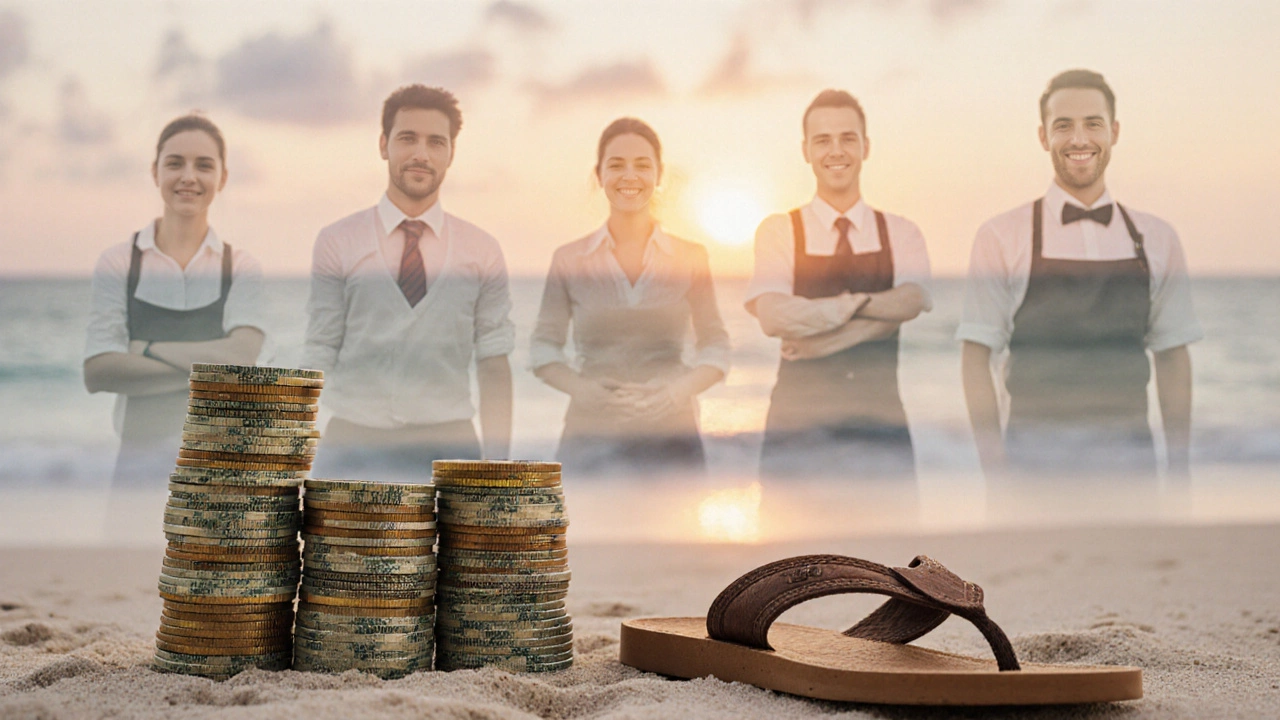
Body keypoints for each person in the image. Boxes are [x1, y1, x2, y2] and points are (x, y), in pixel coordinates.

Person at [958, 69, 1202, 484]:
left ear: (1114, 131)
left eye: (1093, 123)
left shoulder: (1159, 239)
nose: (1079, 139)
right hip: (1030, 467)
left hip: (1133, 464)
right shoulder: (1000, 236)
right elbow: (976, 358)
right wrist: (995, 473)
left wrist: (1179, 474)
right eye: (1063, 126)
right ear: (1042, 137)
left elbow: (1173, 357)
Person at [302, 85, 514, 482]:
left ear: (451, 153)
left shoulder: (481, 250)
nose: (421, 153)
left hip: (451, 446)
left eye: (436, 142)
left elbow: (494, 362)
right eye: (407, 138)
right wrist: (291, 452)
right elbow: (320, 347)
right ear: (383, 145)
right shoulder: (337, 241)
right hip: (351, 444)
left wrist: (497, 468)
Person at [746, 90, 932, 482]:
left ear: (866, 147)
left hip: (880, 429)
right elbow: (772, 316)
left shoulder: (902, 231)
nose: (836, 151)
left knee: (887, 543)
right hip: (794, 433)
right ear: (806, 151)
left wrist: (820, 340)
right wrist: (867, 308)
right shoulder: (779, 230)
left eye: (848, 138)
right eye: (823, 140)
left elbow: (912, 301)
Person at [530, 118, 730, 476]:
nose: (629, 176)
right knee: (585, 532)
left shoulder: (691, 257)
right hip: (589, 438)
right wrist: (583, 389)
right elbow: (543, 349)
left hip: (674, 437)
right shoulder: (569, 259)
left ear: (659, 174)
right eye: (616, 164)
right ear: (599, 173)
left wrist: (677, 390)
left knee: (673, 530)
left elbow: (716, 346)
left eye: (642, 165)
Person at [84, 114, 266, 489]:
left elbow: (243, 359)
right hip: (136, 466)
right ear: (155, 172)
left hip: (218, 468)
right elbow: (98, 372)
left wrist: (145, 350)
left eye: (203, 165)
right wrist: (212, 371)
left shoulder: (241, 267)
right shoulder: (119, 262)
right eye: (175, 163)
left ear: (223, 177)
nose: (188, 176)